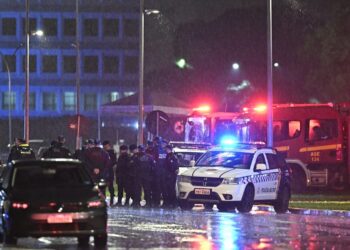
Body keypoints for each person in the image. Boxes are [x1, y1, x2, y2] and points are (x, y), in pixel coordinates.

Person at [102, 140, 116, 206]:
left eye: (106, 146)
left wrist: (108, 165)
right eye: (104, 146)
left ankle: (112, 200)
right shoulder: (102, 152)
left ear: (108, 145)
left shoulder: (112, 152)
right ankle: (103, 200)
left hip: (110, 172)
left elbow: (114, 162)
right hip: (104, 172)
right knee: (103, 187)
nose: (105, 147)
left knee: (110, 187)